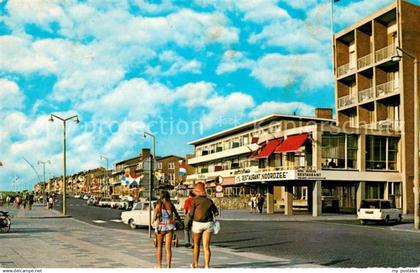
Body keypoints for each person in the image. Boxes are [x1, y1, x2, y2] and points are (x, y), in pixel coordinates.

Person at [190, 182, 219, 268]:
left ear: (197, 191)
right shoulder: (209, 201)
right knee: (206, 246)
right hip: (208, 224)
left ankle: (195, 264)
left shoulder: (194, 201)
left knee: (196, 245)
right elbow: (216, 213)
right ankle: (206, 265)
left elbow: (191, 214)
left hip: (197, 224)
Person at [152, 190, 179, 268]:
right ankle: (168, 266)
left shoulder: (158, 205)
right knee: (168, 248)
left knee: (159, 247)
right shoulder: (171, 205)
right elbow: (176, 215)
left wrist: (152, 222)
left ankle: (159, 265)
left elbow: (153, 218)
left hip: (161, 227)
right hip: (169, 227)